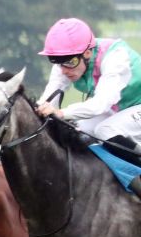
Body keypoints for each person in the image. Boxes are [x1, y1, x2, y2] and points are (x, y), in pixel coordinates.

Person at [35, 17, 141, 149]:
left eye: (70, 62)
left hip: (134, 106)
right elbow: (48, 100)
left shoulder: (116, 58)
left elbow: (100, 104)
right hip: (121, 109)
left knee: (106, 130)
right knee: (78, 130)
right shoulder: (66, 63)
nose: (64, 71)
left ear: (87, 53)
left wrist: (61, 113)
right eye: (58, 63)